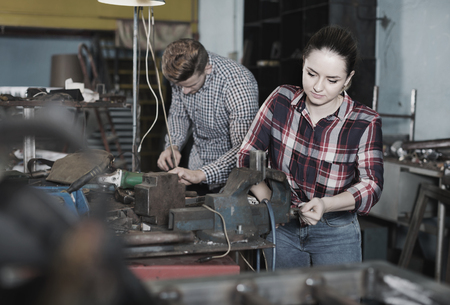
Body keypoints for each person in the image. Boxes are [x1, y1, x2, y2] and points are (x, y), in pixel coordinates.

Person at [237, 25, 384, 269]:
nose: (317, 87)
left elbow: (372, 185)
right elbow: (247, 155)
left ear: (348, 79)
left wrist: (326, 204)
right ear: (303, 63)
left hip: (336, 232)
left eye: (332, 80)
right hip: (281, 228)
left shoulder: (365, 121)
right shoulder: (281, 99)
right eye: (311, 73)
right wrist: (270, 202)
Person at [157, 39, 259, 195]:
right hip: (195, 170)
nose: (183, 91)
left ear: (207, 68)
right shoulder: (183, 74)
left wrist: (201, 174)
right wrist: (174, 145)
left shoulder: (238, 84)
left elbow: (243, 150)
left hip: (232, 180)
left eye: (191, 85)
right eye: (179, 86)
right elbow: (178, 113)